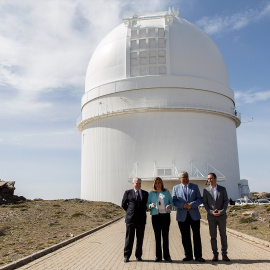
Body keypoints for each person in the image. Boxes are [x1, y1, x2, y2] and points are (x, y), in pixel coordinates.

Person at [172, 171, 205, 262]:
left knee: (196, 236)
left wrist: (192, 204)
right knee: (185, 237)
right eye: (183, 177)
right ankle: (188, 255)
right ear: (180, 179)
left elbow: (199, 199)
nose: (185, 178)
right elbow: (174, 201)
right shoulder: (175, 188)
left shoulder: (195, 187)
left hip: (194, 215)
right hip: (182, 216)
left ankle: (198, 256)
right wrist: (183, 205)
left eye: (186, 176)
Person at [202, 173, 230, 262]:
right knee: (213, 236)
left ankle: (224, 254)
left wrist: (221, 211)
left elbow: (226, 201)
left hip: (221, 216)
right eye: (208, 179)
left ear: (215, 179)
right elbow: (205, 203)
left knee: (223, 235)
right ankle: (215, 254)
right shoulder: (206, 190)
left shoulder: (222, 189)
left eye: (211, 178)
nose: (209, 180)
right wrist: (211, 212)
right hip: (211, 217)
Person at [121, 177, 149, 263]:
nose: (138, 185)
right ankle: (127, 256)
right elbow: (123, 204)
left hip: (141, 219)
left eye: (140, 183)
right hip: (131, 219)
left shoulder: (145, 193)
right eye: (137, 183)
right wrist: (130, 211)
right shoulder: (128, 192)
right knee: (129, 238)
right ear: (133, 184)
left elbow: (146, 205)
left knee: (140, 239)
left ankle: (138, 256)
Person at [147, 177, 173, 262]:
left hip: (165, 216)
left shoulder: (167, 192)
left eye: (159, 183)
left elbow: (171, 202)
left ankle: (167, 256)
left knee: (165, 236)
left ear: (162, 183)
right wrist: (150, 205)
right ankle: (158, 256)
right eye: (156, 183)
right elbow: (147, 204)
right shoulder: (151, 193)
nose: (158, 184)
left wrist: (169, 206)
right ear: (154, 184)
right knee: (157, 236)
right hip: (155, 216)